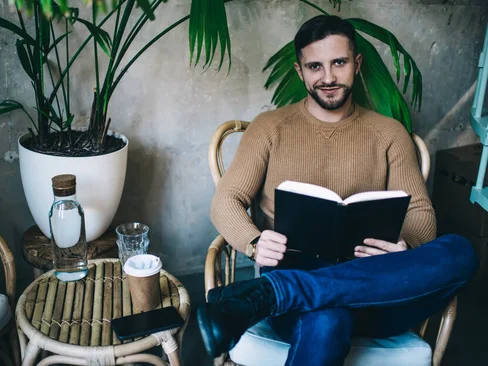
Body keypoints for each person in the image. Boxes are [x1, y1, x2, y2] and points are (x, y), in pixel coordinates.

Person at [197, 15, 478, 366]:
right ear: (300, 71)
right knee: (327, 317)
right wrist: (254, 243)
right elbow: (226, 199)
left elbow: (420, 212)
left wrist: (402, 248)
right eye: (315, 66)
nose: (327, 77)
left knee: (461, 250)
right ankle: (287, 289)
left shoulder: (389, 132)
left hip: (380, 285)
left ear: (356, 64)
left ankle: (271, 295)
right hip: (297, 273)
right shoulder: (269, 127)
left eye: (339, 63)